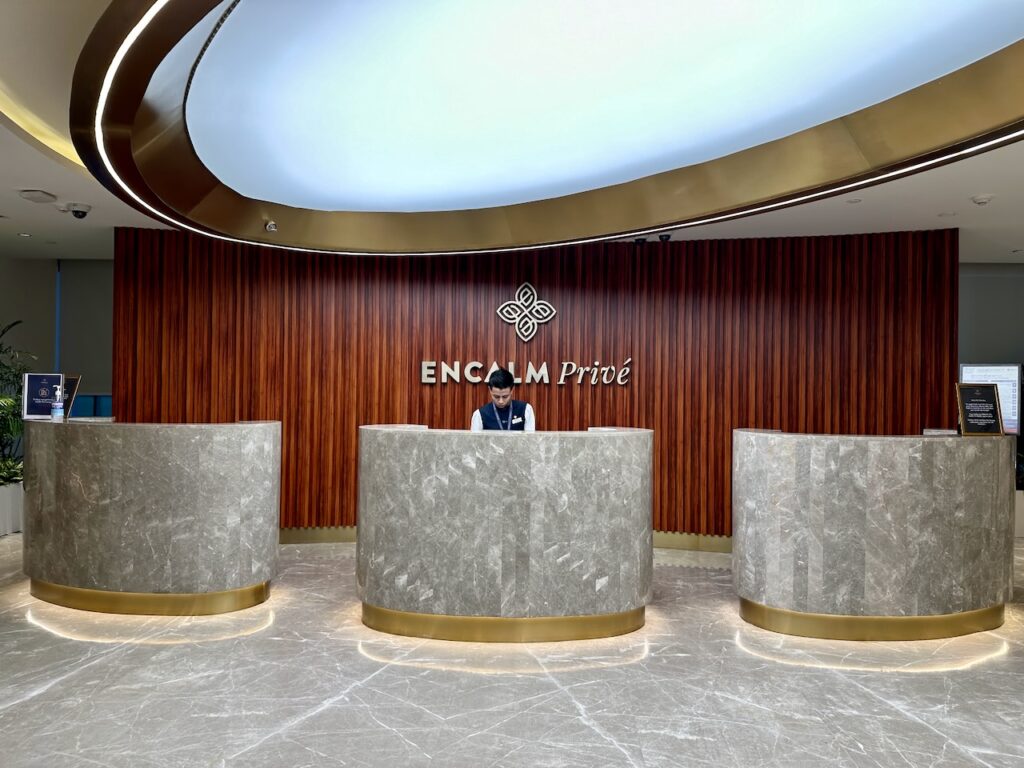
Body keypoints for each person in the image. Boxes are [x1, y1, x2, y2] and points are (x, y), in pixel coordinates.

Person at [470, 367, 535, 431]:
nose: (501, 401)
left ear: (512, 390)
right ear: (490, 390)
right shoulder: (479, 415)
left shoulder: (526, 410)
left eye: (505, 396)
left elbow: (530, 440)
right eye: (496, 397)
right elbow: (475, 441)